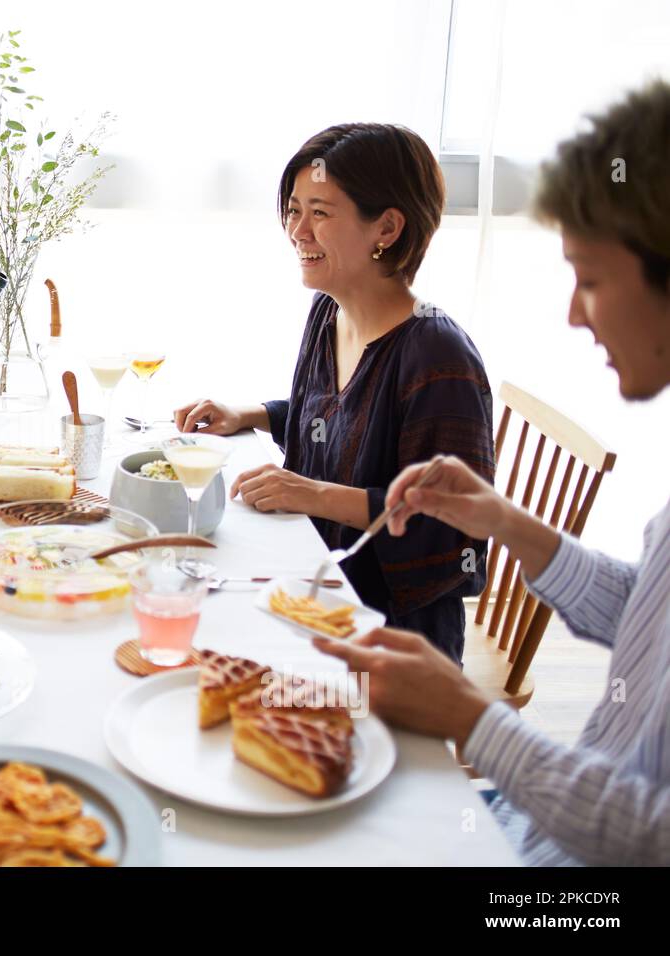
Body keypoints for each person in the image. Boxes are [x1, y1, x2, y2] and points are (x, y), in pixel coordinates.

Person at [315, 80, 670, 865]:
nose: (576, 314)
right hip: (538, 819)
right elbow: (646, 619)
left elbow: (651, 836)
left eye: (593, 276)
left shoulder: (434, 350)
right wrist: (500, 518)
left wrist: (473, 718)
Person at [174, 123, 495, 661]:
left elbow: (452, 529)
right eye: (294, 209)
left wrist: (311, 494)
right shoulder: (330, 310)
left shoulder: (439, 359)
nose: (298, 231)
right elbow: (335, 420)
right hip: (310, 590)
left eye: (320, 213)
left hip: (389, 640)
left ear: (387, 228)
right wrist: (249, 414)